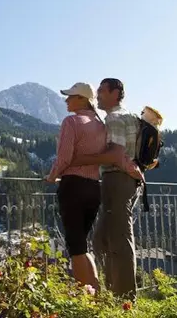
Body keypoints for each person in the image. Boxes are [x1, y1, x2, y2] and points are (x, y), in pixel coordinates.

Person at [70, 78, 143, 302]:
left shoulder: (115, 118)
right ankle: (112, 291)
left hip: (117, 180)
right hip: (122, 180)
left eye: (101, 91)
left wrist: (80, 158)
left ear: (115, 92)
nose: (98, 95)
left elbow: (115, 155)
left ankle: (125, 299)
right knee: (102, 239)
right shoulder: (129, 116)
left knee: (119, 239)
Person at [45, 82, 106, 289]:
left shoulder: (71, 122)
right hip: (94, 188)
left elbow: (63, 158)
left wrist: (52, 176)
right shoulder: (100, 125)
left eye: (70, 97)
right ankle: (96, 291)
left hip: (73, 188)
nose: (66, 100)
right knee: (82, 243)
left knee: (75, 247)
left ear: (82, 99)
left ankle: (84, 298)